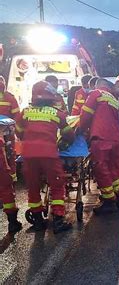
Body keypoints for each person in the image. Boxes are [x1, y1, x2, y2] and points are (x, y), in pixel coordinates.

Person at [16, 81, 75, 233]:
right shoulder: (57, 113)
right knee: (56, 185)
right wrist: (66, 143)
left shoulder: (25, 112)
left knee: (33, 186)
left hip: (28, 155)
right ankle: (58, 219)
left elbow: (19, 132)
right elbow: (68, 133)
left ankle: (37, 221)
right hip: (49, 154)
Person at [78, 78, 119, 214]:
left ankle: (109, 200)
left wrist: (80, 129)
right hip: (115, 138)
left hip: (101, 137)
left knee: (101, 167)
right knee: (115, 167)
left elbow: (85, 115)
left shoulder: (96, 94)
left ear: (98, 85)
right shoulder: (113, 99)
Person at [0, 76, 22, 233]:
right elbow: (17, 118)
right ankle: (12, 222)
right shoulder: (9, 97)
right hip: (5, 138)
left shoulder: (9, 97)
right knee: (6, 178)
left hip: (5, 137)